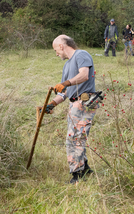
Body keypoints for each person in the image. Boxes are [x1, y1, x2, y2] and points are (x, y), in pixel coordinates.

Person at [45, 35, 99, 184]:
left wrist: (66, 83)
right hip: (74, 104)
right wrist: (52, 104)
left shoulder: (81, 55)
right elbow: (65, 92)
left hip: (84, 102)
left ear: (62, 46)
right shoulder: (67, 65)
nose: (56, 53)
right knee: (75, 137)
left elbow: (84, 75)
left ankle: (78, 174)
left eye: (56, 50)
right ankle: (85, 167)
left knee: (75, 139)